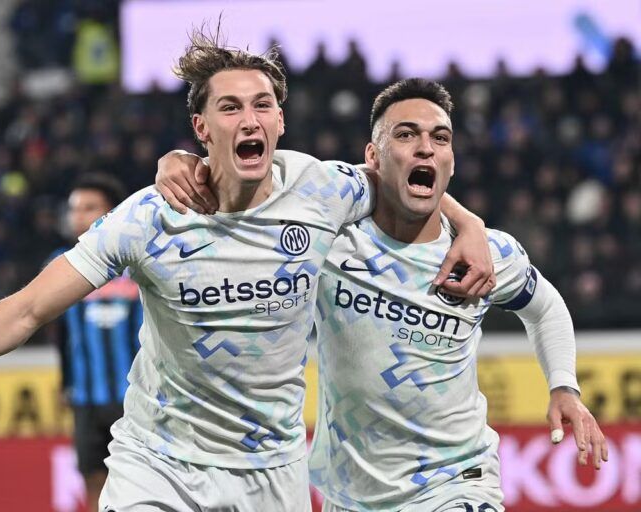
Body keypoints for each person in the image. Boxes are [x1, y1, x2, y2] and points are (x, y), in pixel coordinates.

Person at [0, 30, 492, 512]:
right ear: (202, 129)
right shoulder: (149, 218)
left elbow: (408, 177)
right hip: (160, 462)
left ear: (280, 122)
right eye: (231, 108)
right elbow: (29, 307)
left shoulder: (322, 190)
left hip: (270, 471)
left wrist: (468, 228)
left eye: (264, 105)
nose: (251, 119)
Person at [156, 79, 608, 511]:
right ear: (372, 156)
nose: (426, 147)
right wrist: (181, 159)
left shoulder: (487, 254)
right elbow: (249, 178)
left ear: (451, 159)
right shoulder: (327, 239)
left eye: (440, 138)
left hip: (456, 483)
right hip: (350, 495)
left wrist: (564, 385)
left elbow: (544, 307)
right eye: (407, 134)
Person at [48, 173, 143, 511]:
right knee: (92, 479)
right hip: (86, 396)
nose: (79, 216)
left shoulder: (136, 261)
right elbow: (61, 333)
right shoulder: (59, 264)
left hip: (135, 395)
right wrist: (65, 382)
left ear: (110, 213)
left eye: (89, 208)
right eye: (75, 209)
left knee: (139, 482)